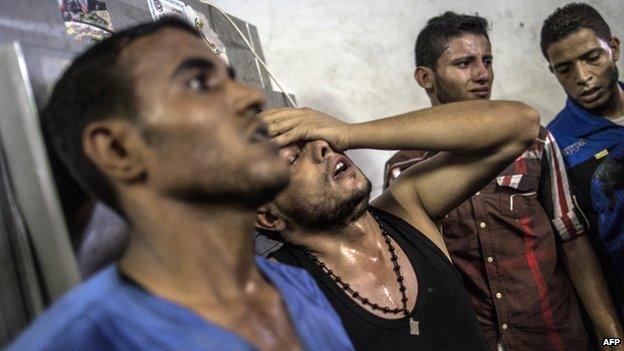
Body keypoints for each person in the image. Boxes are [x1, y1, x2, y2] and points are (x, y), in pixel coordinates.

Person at [8, 18, 353, 351]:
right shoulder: (80, 342)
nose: (251, 98)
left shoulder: (296, 287)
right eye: (199, 83)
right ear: (118, 150)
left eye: (231, 80)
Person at [255, 55, 540, 351]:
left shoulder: (409, 208)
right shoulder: (284, 290)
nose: (323, 147)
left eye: (314, 136)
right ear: (268, 216)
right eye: (293, 158)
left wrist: (350, 132)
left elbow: (522, 124)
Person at [382, 12, 622, 351]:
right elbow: (415, 275)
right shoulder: (403, 169)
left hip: (555, 337)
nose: (482, 74)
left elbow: (572, 240)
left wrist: (612, 337)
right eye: (465, 63)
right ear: (426, 77)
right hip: (474, 340)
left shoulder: (534, 142)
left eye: (487, 60)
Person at [542, 2, 624, 329]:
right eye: (565, 69)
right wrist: (611, 341)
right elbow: (577, 254)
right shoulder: (555, 144)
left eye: (593, 58)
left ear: (613, 48)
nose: (583, 77)